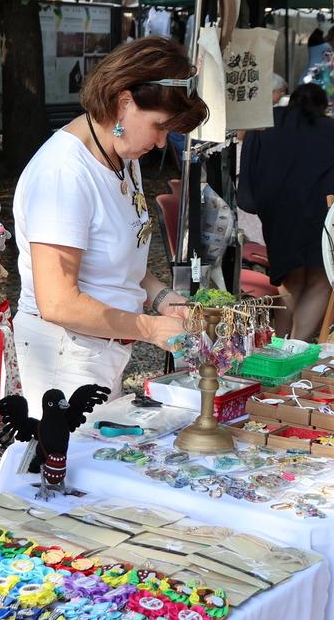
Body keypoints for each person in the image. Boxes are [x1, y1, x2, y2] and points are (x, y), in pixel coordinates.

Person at [12, 37, 207, 415]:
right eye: (159, 126)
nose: (162, 140)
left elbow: (118, 258)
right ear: (124, 103)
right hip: (65, 356)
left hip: (99, 349)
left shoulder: (120, 153)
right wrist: (148, 328)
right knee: (66, 464)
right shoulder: (63, 174)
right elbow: (57, 302)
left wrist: (163, 298)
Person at [238, 83, 334, 342]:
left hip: (279, 211)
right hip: (321, 210)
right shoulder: (329, 128)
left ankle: (279, 344)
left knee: (290, 279)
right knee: (321, 278)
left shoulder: (267, 123)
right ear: (321, 107)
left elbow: (248, 176)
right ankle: (297, 346)